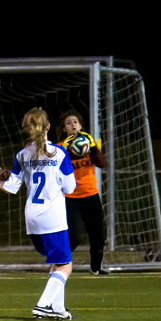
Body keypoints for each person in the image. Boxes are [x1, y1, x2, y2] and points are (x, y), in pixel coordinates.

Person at [0, 107, 77, 320]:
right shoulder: (60, 153)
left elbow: (11, 187)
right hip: (53, 218)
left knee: (57, 262)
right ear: (48, 126)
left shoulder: (22, 155)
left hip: (32, 219)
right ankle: (42, 305)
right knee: (66, 265)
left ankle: (58, 309)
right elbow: (70, 188)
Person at [57, 110, 108, 275]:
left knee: (99, 238)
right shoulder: (59, 147)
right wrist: (65, 150)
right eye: (69, 123)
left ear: (80, 126)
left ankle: (95, 267)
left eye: (75, 122)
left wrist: (92, 147)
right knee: (73, 239)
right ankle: (59, 265)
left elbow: (102, 163)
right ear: (64, 129)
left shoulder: (89, 142)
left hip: (91, 195)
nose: (73, 125)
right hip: (71, 198)